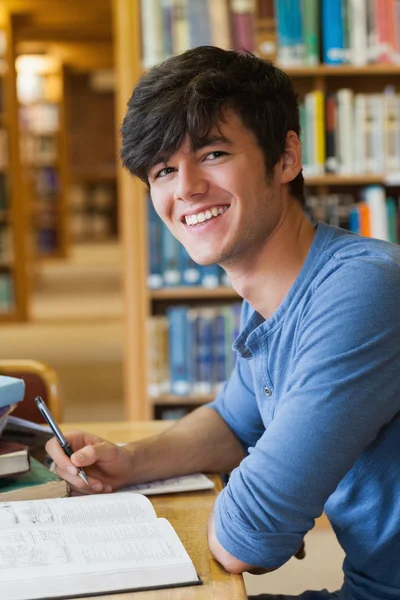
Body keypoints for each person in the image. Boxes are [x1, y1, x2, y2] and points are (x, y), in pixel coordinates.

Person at [46, 46, 400, 600]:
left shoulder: (364, 291)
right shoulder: (273, 294)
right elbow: (235, 423)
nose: (185, 187)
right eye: (163, 169)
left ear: (286, 157)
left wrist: (264, 498)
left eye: (211, 153)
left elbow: (246, 544)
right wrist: (129, 463)